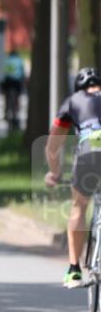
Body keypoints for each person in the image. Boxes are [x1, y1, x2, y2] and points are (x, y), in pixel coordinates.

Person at [44, 67, 101, 287]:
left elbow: (52, 146)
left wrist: (55, 173)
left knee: (79, 206)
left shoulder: (72, 101)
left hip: (89, 148)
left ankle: (74, 269)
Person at [0, 50, 26, 132]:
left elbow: (3, 73)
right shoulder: (20, 60)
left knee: (6, 96)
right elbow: (22, 73)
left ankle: (6, 111)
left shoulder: (6, 60)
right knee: (17, 98)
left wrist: (1, 86)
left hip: (8, 81)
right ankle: (15, 113)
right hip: (17, 82)